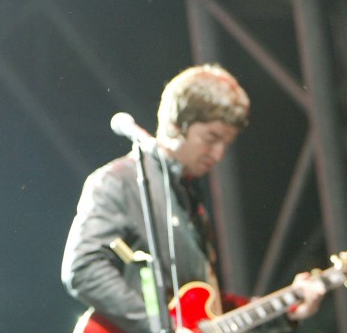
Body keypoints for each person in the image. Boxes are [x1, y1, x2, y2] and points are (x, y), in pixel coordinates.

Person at [61, 64, 324, 333]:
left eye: (226, 143)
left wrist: (286, 311)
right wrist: (163, 327)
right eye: (211, 139)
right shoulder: (119, 181)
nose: (219, 154)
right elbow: (83, 268)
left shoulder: (191, 205)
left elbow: (209, 313)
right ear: (176, 126)